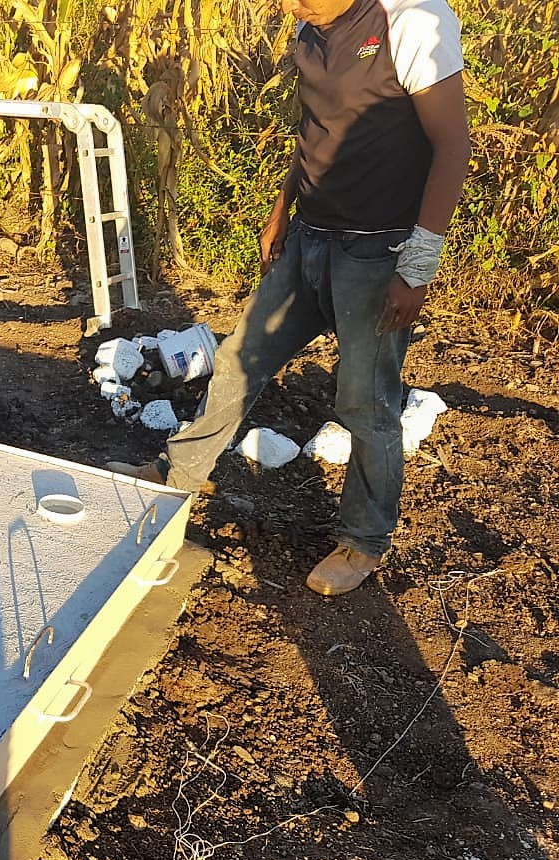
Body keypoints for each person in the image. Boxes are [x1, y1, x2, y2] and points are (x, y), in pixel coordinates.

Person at [109, 0, 471, 596]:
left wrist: (419, 263)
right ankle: (179, 473)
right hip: (309, 239)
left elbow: (452, 144)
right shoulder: (310, 27)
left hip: (375, 255)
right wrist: (282, 209)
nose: (287, 4)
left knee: (365, 402)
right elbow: (314, 132)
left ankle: (363, 541)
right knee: (236, 361)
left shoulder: (410, 20)